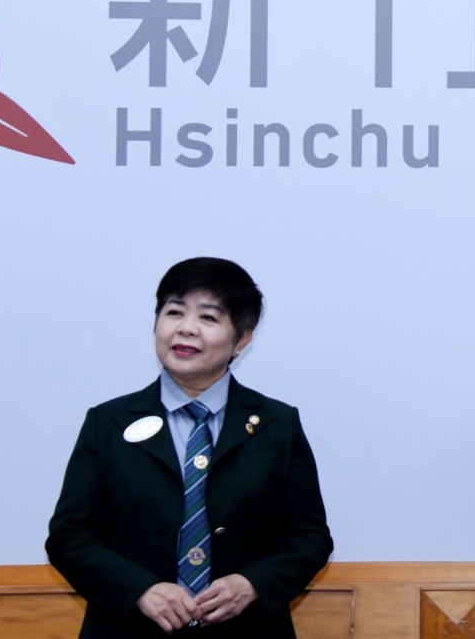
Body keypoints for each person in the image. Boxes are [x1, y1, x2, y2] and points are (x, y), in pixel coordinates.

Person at [47, 258, 333, 638]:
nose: (186, 328)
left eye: (208, 317)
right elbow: (68, 537)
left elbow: (311, 539)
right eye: (174, 312)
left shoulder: (277, 424)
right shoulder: (108, 423)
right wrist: (139, 590)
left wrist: (252, 584)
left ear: (242, 338)